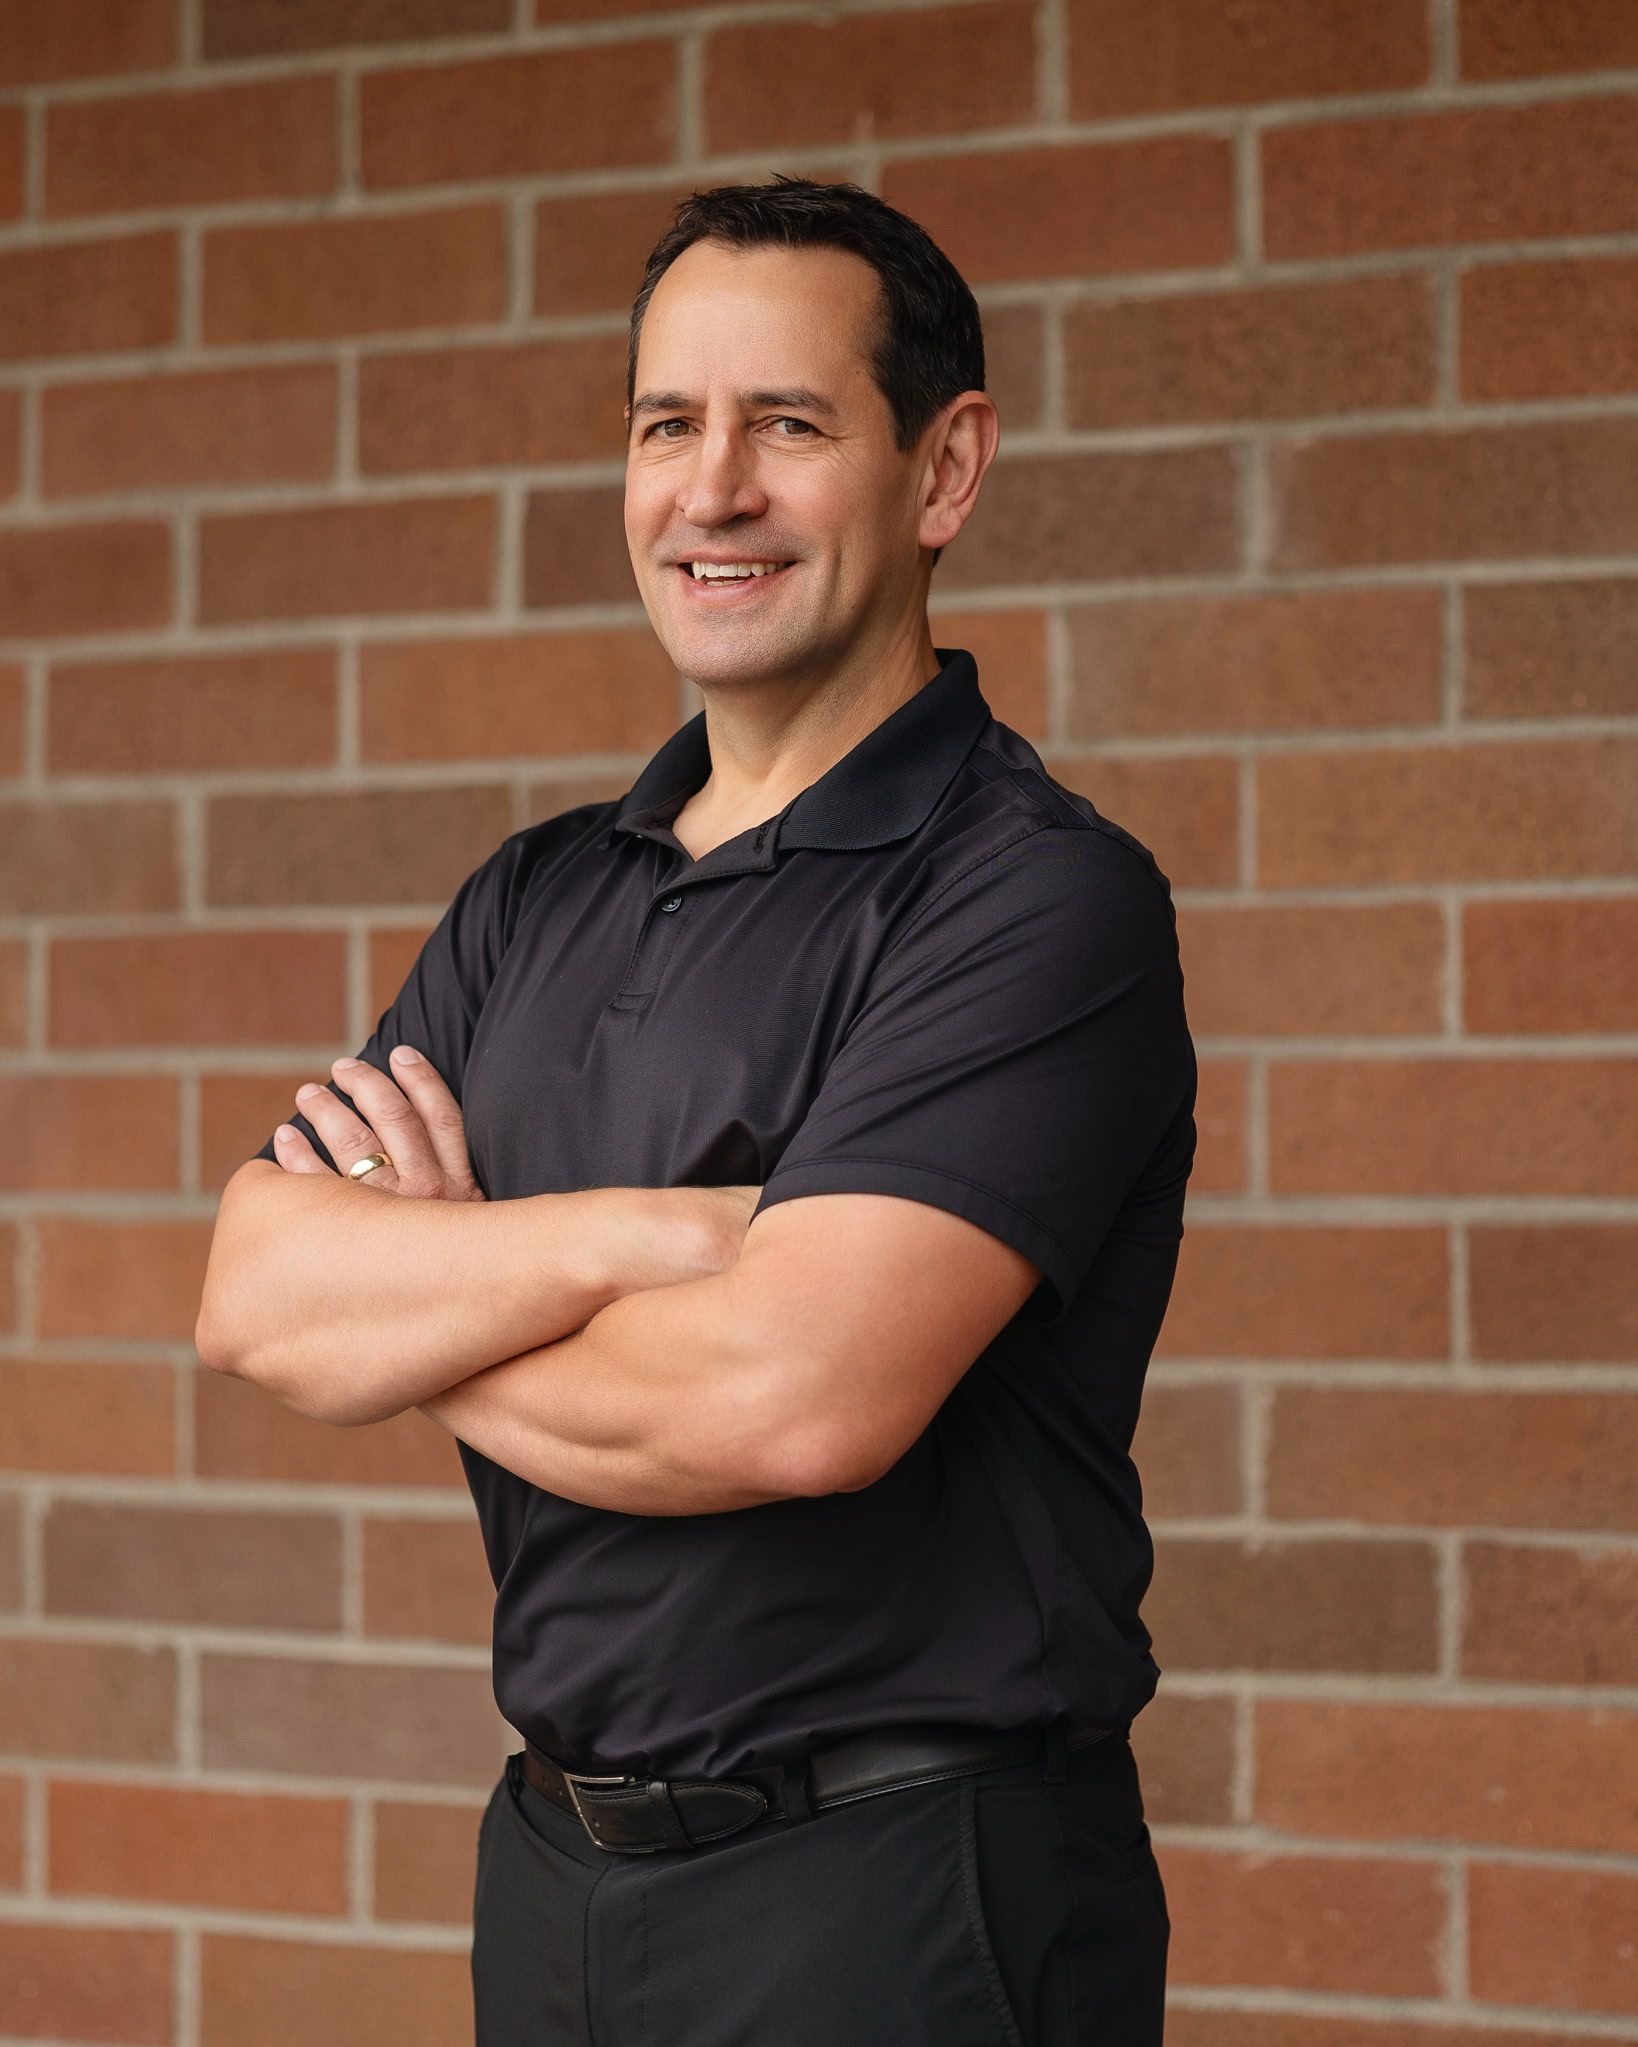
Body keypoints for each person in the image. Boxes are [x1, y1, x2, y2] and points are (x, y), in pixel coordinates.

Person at [196, 174, 1195, 2046]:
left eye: (788, 424)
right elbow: (254, 1298)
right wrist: (662, 1236)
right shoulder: (536, 896)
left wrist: (425, 1302)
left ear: (943, 469)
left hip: (898, 1894)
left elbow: (790, 1401)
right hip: (556, 1872)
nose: (709, 489)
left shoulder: (1031, 898)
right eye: (668, 425)